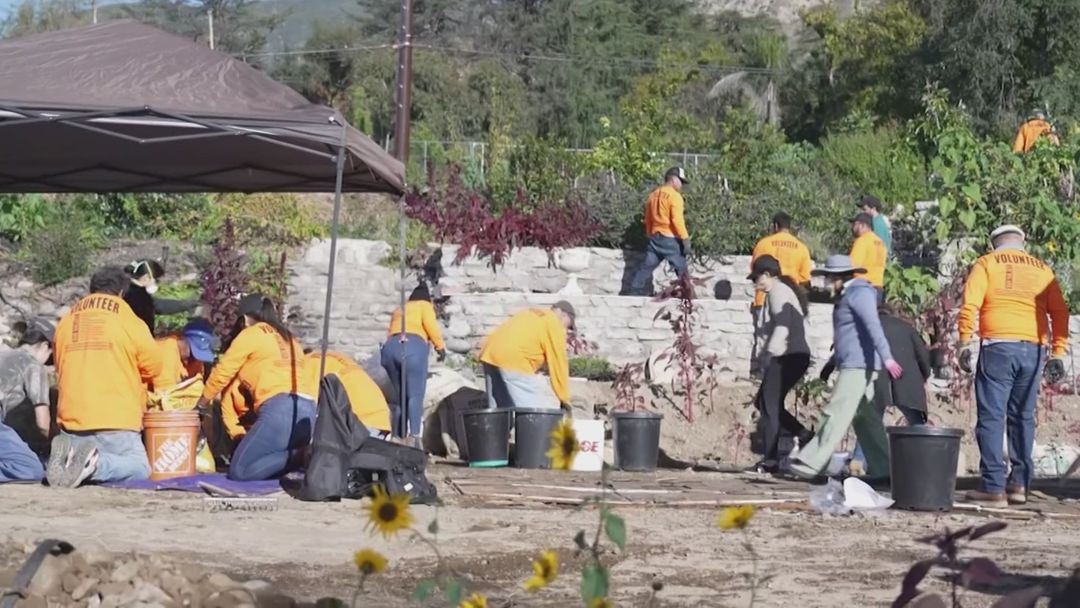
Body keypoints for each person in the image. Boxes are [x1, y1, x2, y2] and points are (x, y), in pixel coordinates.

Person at [957, 225, 1069, 507]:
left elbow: (970, 304)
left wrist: (964, 342)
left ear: (994, 243)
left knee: (992, 417)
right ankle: (1019, 484)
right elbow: (1060, 312)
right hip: (1033, 350)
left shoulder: (987, 263)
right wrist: (1057, 352)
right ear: (1023, 242)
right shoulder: (1042, 268)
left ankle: (993, 487)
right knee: (1022, 416)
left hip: (998, 347)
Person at [787, 255, 903, 481]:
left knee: (836, 412)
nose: (827, 283)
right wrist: (832, 362)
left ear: (838, 277)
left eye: (829, 278)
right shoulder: (848, 295)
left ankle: (811, 462)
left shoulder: (860, 293)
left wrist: (888, 358)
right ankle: (886, 469)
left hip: (858, 365)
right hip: (853, 362)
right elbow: (849, 335)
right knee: (866, 420)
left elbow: (873, 325)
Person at [48, 266, 165, 488]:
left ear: (92, 289)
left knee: (78, 454)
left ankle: (70, 459)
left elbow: (59, 364)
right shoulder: (127, 319)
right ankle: (95, 464)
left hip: (71, 423)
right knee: (140, 467)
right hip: (115, 421)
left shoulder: (66, 321)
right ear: (121, 292)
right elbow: (155, 367)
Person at [196, 294, 316, 481]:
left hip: (279, 409)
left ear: (244, 319)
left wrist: (202, 403)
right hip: (308, 411)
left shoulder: (251, 334)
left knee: (240, 471)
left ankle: (301, 455)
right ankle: (302, 454)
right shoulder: (291, 339)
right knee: (269, 464)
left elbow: (223, 372)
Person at [747, 255, 813, 474]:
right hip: (794, 356)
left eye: (756, 278)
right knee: (764, 403)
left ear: (766, 275)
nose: (755, 283)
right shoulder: (780, 291)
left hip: (787, 356)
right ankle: (802, 434)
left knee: (769, 406)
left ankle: (771, 460)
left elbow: (783, 326)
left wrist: (769, 353)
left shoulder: (777, 292)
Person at [748, 212, 813, 374]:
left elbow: (755, 271)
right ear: (789, 226)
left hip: (763, 297)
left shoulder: (763, 244)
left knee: (764, 337)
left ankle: (764, 372)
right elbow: (805, 279)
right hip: (791, 299)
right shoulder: (801, 248)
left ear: (775, 226)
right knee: (788, 337)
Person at [479, 301, 575, 410]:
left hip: (490, 353)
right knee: (536, 411)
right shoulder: (554, 322)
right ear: (564, 315)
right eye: (569, 325)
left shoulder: (531, 313)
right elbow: (559, 363)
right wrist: (564, 398)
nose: (566, 329)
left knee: (499, 410)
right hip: (513, 359)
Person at [381, 284, 446, 443]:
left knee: (400, 397)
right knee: (414, 395)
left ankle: (397, 436)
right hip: (412, 347)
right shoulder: (424, 305)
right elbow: (430, 325)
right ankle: (414, 437)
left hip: (389, 349)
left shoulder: (400, 309)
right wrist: (440, 346)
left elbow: (390, 332)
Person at [0, 321, 54, 483]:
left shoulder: (3, 354)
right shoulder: (33, 365)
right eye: (50, 358)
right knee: (30, 468)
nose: (47, 364)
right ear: (45, 346)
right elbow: (43, 424)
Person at [629, 167, 692, 295]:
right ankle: (688, 296)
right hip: (670, 239)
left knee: (645, 268)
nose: (681, 185)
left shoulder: (653, 195)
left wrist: (649, 234)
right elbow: (677, 220)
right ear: (674, 179)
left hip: (655, 238)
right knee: (682, 269)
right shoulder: (675, 196)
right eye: (681, 181)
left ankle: (634, 293)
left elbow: (648, 218)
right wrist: (685, 238)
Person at [306, 350, 392, 437]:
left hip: (361, 422)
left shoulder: (311, 363)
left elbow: (309, 405)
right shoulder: (338, 362)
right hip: (380, 417)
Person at [124, 259, 199, 335]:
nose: (158, 284)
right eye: (157, 280)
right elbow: (160, 306)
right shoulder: (139, 297)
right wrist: (190, 304)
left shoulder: (124, 287)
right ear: (146, 277)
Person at [151, 318, 216, 391]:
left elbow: (198, 385)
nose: (194, 359)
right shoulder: (165, 351)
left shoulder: (195, 360)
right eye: (192, 353)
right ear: (182, 340)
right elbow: (165, 392)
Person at [849, 213, 888, 298]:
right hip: (878, 286)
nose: (852, 228)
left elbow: (852, 265)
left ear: (862, 225)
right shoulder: (880, 242)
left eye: (855, 224)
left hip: (862, 287)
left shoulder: (862, 240)